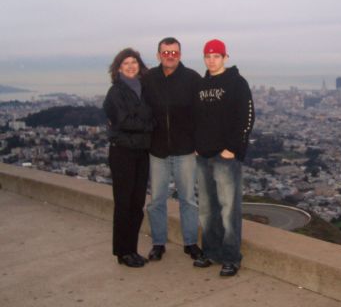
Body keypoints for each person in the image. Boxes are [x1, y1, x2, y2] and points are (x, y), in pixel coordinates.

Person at [192, 39, 255, 277]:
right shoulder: (200, 85)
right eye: (208, 56)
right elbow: (194, 119)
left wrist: (233, 148)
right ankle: (211, 252)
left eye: (216, 56)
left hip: (226, 156)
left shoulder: (237, 83)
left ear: (225, 57)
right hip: (203, 155)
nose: (212, 60)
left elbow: (247, 117)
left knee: (229, 209)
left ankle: (231, 257)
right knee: (207, 209)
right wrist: (196, 146)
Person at [142, 37, 203, 261]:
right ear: (159, 55)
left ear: (180, 54)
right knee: (157, 200)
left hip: (186, 149)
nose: (170, 56)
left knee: (188, 199)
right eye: (166, 52)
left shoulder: (192, 78)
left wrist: (198, 143)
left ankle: (190, 243)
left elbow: (201, 114)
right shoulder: (149, 79)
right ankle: (158, 243)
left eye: (174, 52)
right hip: (157, 150)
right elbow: (140, 109)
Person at [103, 48, 153, 268]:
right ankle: (122, 252)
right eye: (126, 63)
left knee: (137, 203)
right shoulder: (115, 92)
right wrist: (149, 126)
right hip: (122, 152)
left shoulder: (144, 89)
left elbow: (150, 115)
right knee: (124, 203)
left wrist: (144, 124)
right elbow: (124, 122)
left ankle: (131, 249)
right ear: (118, 68)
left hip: (141, 152)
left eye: (134, 62)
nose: (131, 66)